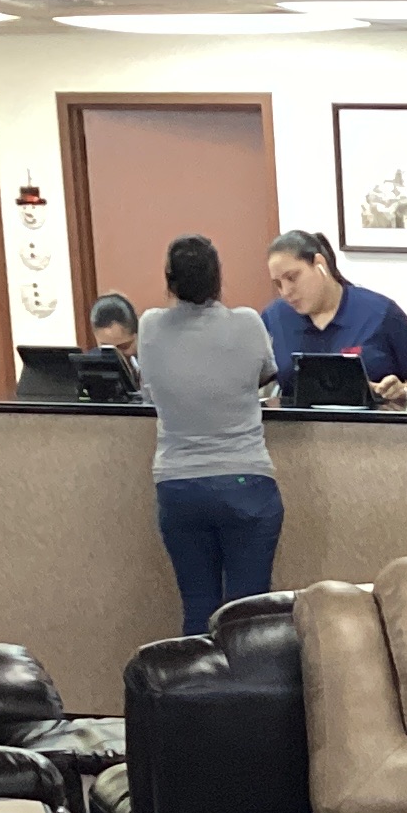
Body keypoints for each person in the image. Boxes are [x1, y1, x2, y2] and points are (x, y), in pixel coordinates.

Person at [133, 235, 280, 638]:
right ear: (218, 277)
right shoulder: (248, 323)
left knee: (198, 609)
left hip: (179, 485)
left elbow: (149, 388)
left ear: (170, 280)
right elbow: (266, 375)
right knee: (247, 616)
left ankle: (200, 679)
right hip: (245, 481)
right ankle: (249, 681)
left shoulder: (149, 326)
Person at [262, 229, 407, 407]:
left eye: (292, 278)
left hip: (371, 422)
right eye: (278, 284)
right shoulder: (273, 318)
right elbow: (252, 378)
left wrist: (403, 390)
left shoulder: (380, 312)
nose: (286, 292)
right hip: (295, 423)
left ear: (320, 264)